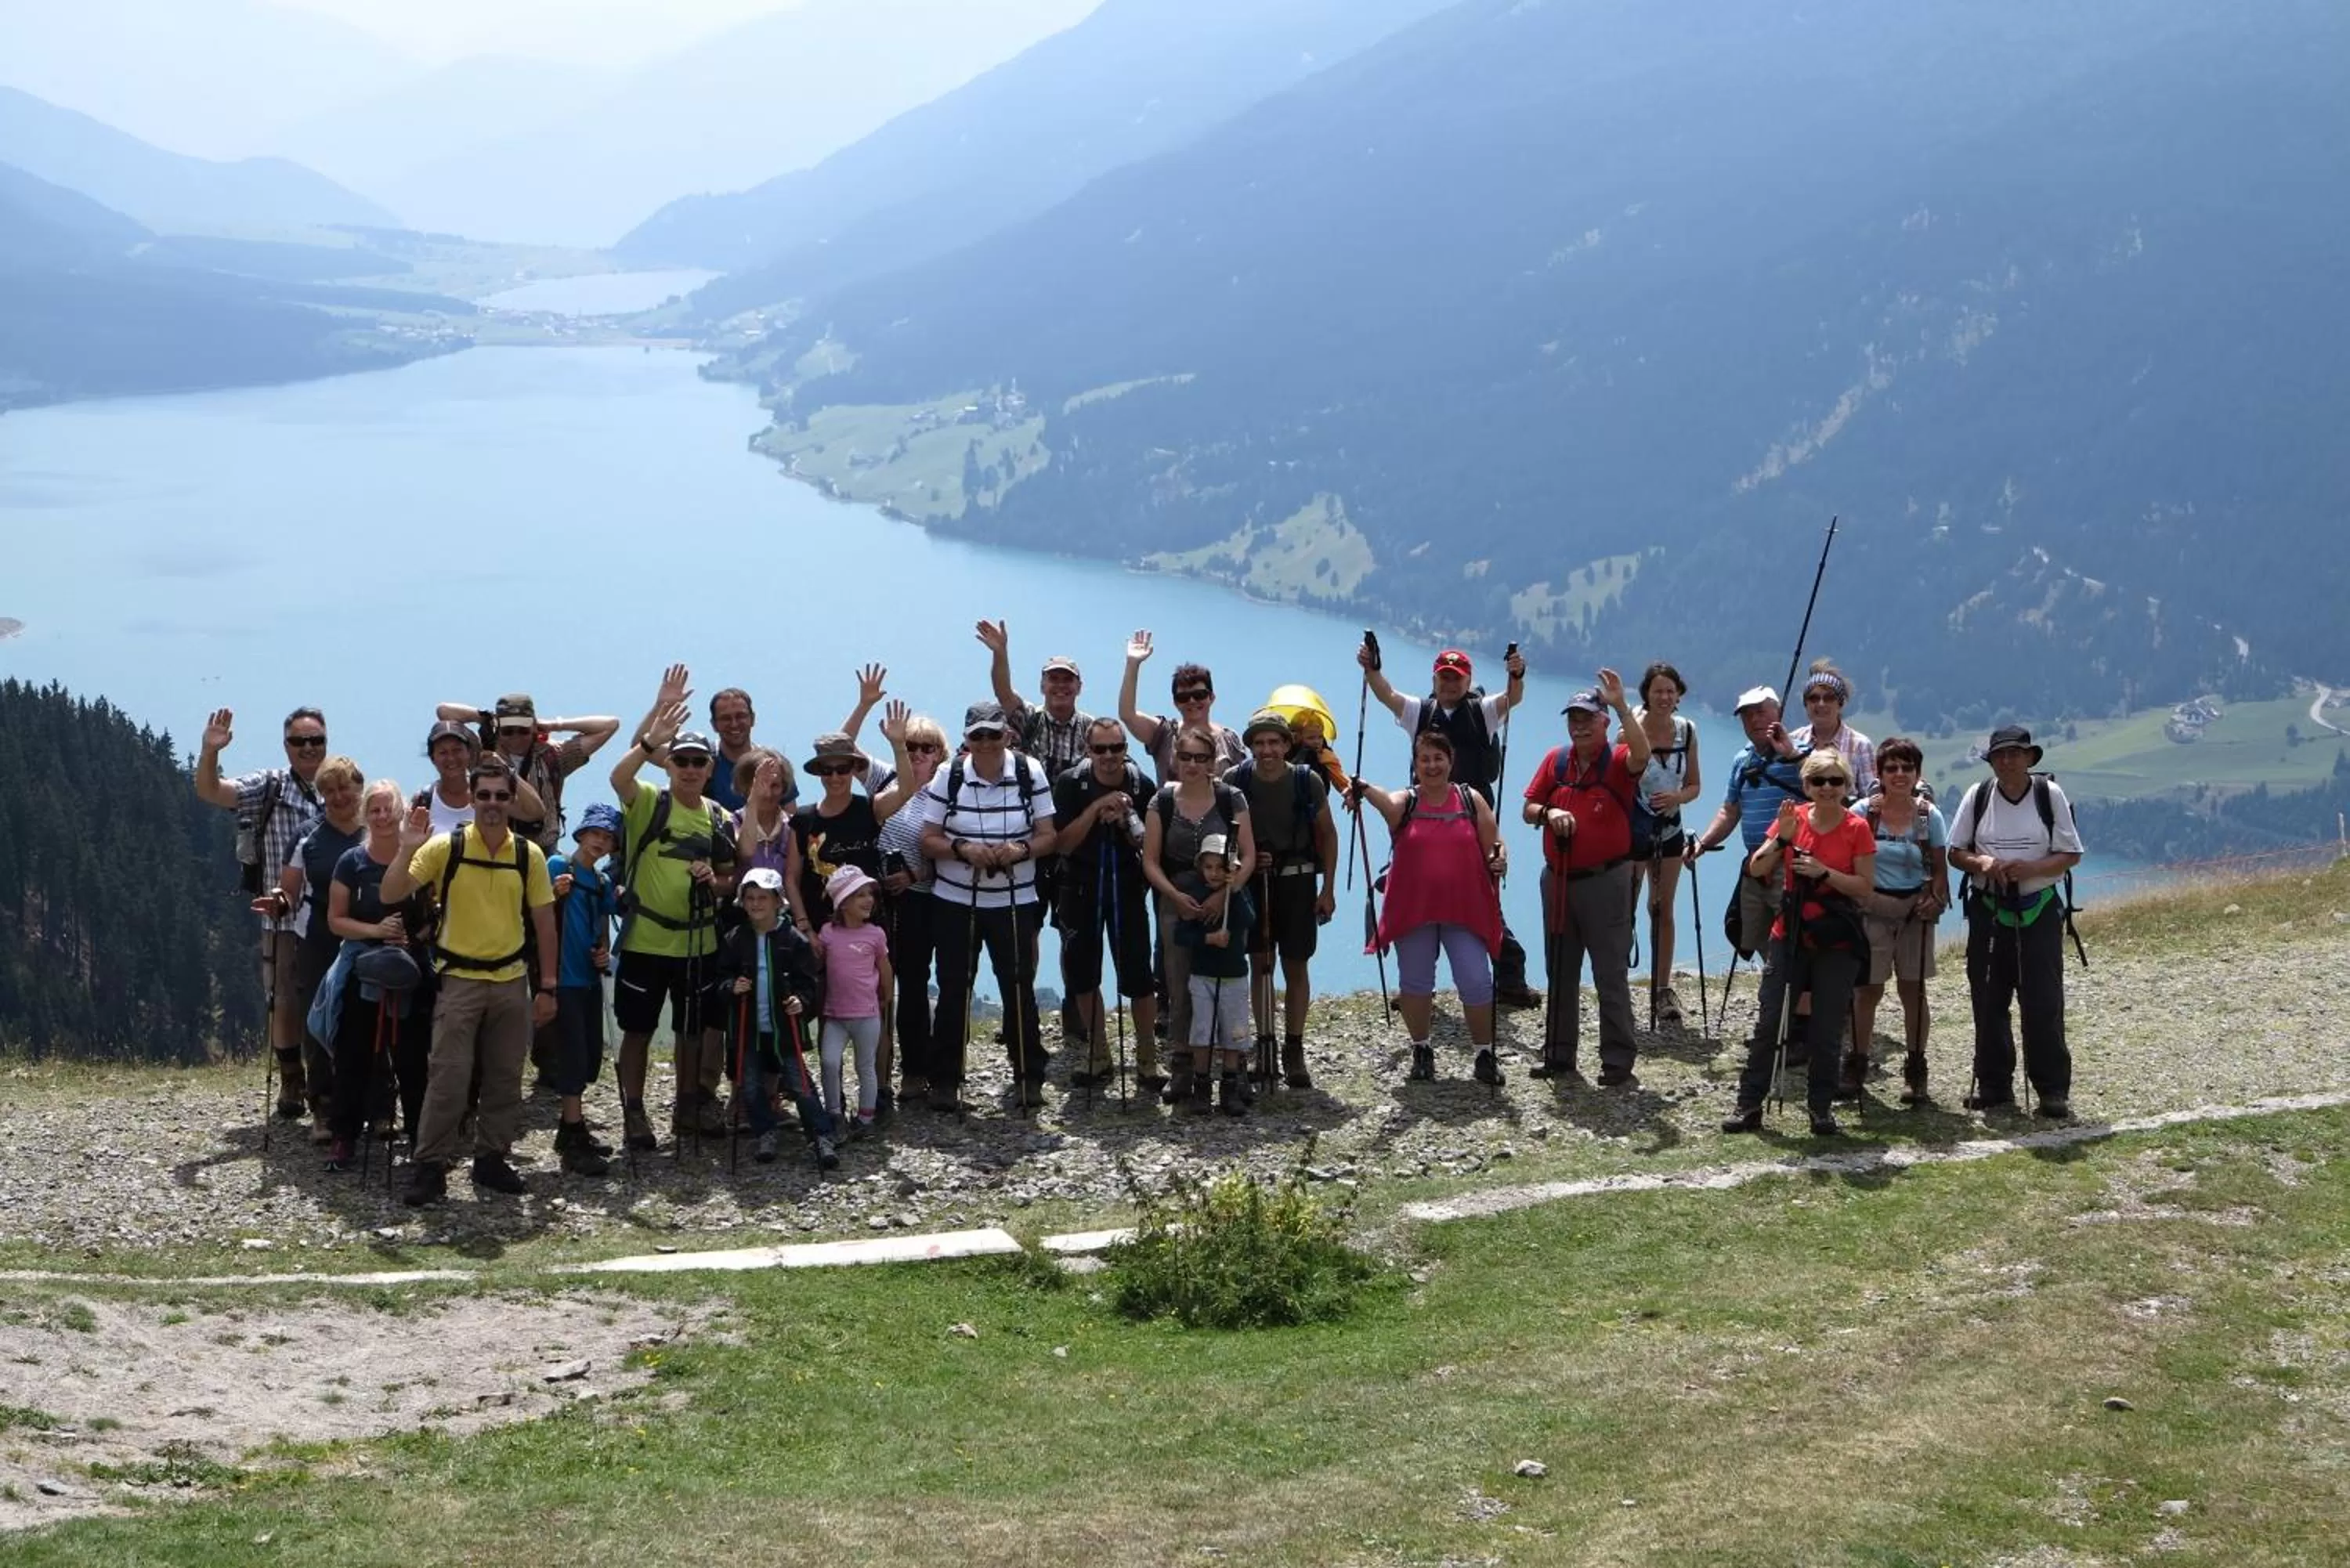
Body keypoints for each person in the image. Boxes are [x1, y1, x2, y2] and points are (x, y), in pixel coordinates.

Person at [383, 761, 560, 1205]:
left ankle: (491, 1159)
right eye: (485, 796)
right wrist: (406, 848)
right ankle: (429, 1166)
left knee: (505, 1076)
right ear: (473, 798)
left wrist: (549, 986)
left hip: (511, 980)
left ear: (512, 801)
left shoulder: (528, 855)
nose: (494, 805)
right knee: (448, 1077)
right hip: (459, 979)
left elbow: (545, 923)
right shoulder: (447, 847)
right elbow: (390, 893)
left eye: (502, 797)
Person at [1360, 640, 1540, 1007]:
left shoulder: (1482, 711)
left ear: (1467, 679)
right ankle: (1417, 984)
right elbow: (1387, 696)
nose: (1450, 683)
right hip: (1424, 820)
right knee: (1417, 896)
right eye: (1444, 676)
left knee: (1481, 895)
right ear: (1435, 678)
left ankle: (1506, 976)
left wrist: (1516, 674)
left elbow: (1513, 698)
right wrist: (1373, 670)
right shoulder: (1420, 711)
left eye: (1456, 677)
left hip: (1470, 819)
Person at [608, 665, 738, 1151]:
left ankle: (687, 1106)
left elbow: (732, 879)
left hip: (698, 941)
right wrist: (649, 739)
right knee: (638, 1031)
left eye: (697, 762)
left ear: (709, 770)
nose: (688, 768)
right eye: (681, 759)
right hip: (645, 940)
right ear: (670, 765)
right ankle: (635, 1112)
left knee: (690, 1032)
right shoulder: (647, 800)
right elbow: (617, 774)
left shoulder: (720, 816)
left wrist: (716, 882)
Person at [1720, 750, 1877, 1139]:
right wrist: (1782, 841)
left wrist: (1825, 872)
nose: (1827, 788)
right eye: (1818, 781)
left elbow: (1865, 888)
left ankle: (1820, 1108)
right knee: (1770, 1020)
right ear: (1806, 785)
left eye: (1835, 781)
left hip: (1836, 937)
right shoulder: (1791, 821)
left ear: (1846, 785)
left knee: (1826, 1026)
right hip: (1790, 933)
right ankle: (1749, 1104)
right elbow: (1757, 869)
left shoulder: (1857, 828)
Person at [917, 702, 1059, 1111]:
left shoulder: (1030, 772)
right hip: (955, 901)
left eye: (992, 735)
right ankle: (945, 1080)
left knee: (1018, 986)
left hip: (1015, 899)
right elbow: (928, 840)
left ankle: (1029, 1075)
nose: (985, 743)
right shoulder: (950, 774)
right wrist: (965, 849)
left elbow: (1050, 835)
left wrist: (1020, 849)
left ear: (1007, 736)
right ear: (966, 740)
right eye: (976, 735)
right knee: (953, 987)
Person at [193, 704, 326, 1122]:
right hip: (282, 916)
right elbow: (211, 791)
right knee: (283, 1000)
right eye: (299, 741)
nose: (308, 748)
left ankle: (332, 1081)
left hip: (330, 918)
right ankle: (292, 1078)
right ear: (285, 746)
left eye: (316, 740)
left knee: (327, 999)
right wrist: (210, 751)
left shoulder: (340, 786)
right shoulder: (268, 786)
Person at [1520, 674, 1652, 1086]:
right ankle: (1559, 1056)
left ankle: (1617, 1062)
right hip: (1557, 879)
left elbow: (1643, 755)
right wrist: (1548, 814)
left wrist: (1622, 705)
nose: (1579, 726)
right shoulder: (1556, 761)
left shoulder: (1618, 761)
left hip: (1606, 881)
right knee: (1560, 967)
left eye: (1588, 718)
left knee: (1608, 971)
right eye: (1574, 718)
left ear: (1604, 723)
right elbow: (1528, 807)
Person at [1356, 730, 1508, 1086]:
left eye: (1438, 758)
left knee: (1476, 980)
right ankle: (1421, 1049)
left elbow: (1496, 843)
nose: (1432, 765)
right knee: (1415, 983)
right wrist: (1363, 788)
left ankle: (1485, 1053)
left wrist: (1499, 859)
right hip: (1415, 910)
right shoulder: (1405, 802)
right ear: (1415, 764)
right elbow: (1385, 803)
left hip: (1464, 908)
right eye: (1424, 759)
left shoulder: (1470, 800)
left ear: (1451, 762)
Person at [1946, 725, 2083, 1119]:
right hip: (1989, 908)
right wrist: (1983, 863)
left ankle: (2052, 1090)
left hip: (2038, 908)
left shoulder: (2048, 795)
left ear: (2029, 758)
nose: (2007, 761)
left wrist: (2031, 869)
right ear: (1992, 761)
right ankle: (1994, 1086)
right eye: (2000, 755)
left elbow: (2070, 853)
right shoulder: (1979, 796)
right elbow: (1956, 852)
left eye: (2014, 754)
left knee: (2042, 1002)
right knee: (1988, 1000)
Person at [1683, 685, 1813, 1039]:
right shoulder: (1743, 760)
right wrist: (1704, 843)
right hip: (1755, 866)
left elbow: (1824, 791)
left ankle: (1792, 1026)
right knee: (1756, 938)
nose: (1755, 719)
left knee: (1789, 945)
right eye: (1747, 714)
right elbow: (1730, 810)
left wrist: (1791, 754)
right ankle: (1781, 1017)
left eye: (1761, 711)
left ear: (1778, 712)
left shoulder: (1801, 755)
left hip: (1790, 866)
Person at [323, 779, 438, 1169]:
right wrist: (378, 932)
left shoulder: (421, 856)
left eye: (389, 808)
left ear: (402, 811)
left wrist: (414, 938)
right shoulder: (352, 861)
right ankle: (345, 1135)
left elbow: (436, 913)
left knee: (412, 1056)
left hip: (413, 963)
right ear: (365, 815)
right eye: (375, 809)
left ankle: (423, 1138)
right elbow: (336, 921)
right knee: (354, 1054)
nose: (383, 816)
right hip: (363, 964)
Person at [1141, 725, 1255, 1100]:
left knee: (1226, 982)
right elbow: (1151, 860)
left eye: (1201, 758)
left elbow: (1249, 855)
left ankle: (1230, 1071)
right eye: (1186, 757)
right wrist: (1174, 896)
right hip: (1177, 901)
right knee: (1179, 986)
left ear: (1213, 762)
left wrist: (1226, 894)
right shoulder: (1163, 802)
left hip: (1225, 901)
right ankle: (1184, 1067)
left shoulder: (1231, 798)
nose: (1192, 765)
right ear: (1175, 757)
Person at [1227, 707, 1336, 1089]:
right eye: (1259, 743)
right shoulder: (1235, 781)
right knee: (1260, 963)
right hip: (1254, 882)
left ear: (1287, 746)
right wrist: (1247, 859)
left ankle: (1293, 1046)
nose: (1267, 750)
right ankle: (1265, 1042)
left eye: (1274, 742)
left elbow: (1329, 833)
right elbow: (1226, 838)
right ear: (1251, 747)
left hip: (1298, 880)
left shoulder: (1308, 782)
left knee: (1295, 964)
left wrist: (1328, 890)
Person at [258, 753, 365, 1143]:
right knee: (319, 1023)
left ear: (359, 787)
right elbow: (288, 891)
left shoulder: (377, 829)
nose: (338, 797)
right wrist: (277, 902)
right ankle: (322, 1106)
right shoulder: (307, 834)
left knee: (370, 1019)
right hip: (318, 937)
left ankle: (376, 1105)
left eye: (344, 788)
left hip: (369, 935)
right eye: (329, 790)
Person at [1050, 717, 1159, 1090]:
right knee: (1082, 972)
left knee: (1138, 974)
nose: (1109, 756)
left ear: (1126, 749)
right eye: (1100, 749)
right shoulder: (1069, 784)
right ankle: (1098, 1054)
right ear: (1088, 750)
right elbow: (1062, 842)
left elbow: (1149, 845)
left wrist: (1125, 820)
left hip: (1126, 886)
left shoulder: (1142, 785)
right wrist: (1096, 810)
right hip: (1079, 885)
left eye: (1116, 748)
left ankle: (1147, 1058)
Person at [1850, 738, 1948, 1106]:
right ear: (1879, 774)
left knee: (1914, 991)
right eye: (1891, 768)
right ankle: (1857, 1064)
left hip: (1914, 913)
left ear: (1917, 774)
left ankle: (1916, 1069)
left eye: (1907, 767)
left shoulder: (1928, 816)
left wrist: (1934, 899)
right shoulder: (1863, 812)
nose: (1899, 774)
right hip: (1872, 908)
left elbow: (1940, 868)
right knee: (1867, 992)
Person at [718, 867, 836, 1169]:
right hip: (748, 1028)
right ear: (742, 903)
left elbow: (808, 982)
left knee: (800, 1085)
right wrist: (732, 987)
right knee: (751, 1085)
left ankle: (821, 1134)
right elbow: (720, 980)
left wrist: (802, 1001)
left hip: (785, 1027)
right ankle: (765, 1131)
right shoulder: (735, 938)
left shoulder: (794, 940)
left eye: (763, 898)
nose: (756, 904)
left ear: (777, 901)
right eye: (750, 898)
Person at [784, 709, 919, 934]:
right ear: (819, 773)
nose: (835, 777)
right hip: (820, 931)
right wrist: (804, 927)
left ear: (854, 769)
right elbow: (791, 878)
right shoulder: (803, 820)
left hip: (869, 930)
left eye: (842, 769)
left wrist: (898, 745)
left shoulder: (870, 808)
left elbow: (906, 790)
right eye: (827, 770)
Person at [432, 694, 619, 853]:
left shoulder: (553, 756)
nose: (516, 737)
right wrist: (486, 718)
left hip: (541, 850)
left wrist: (553, 725)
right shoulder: (482, 755)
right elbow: (444, 712)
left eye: (522, 730)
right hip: (495, 852)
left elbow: (609, 725)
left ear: (533, 729)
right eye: (508, 730)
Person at [873, 714, 948, 1107]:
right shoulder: (886, 778)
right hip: (877, 900)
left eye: (926, 747)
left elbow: (953, 850)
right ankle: (877, 1077)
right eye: (911, 746)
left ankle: (917, 1071)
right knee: (877, 987)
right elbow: (841, 749)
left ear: (940, 754)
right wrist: (868, 706)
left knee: (915, 986)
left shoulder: (945, 792)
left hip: (922, 898)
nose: (917, 754)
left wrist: (916, 873)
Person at [544, 803, 622, 1174]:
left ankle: (569, 1128)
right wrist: (553, 894)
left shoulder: (601, 882)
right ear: (580, 834)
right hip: (561, 979)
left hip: (588, 979)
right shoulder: (559, 868)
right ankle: (573, 1131)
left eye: (607, 838)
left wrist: (604, 954)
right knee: (574, 1056)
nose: (600, 842)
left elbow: (606, 918)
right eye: (595, 834)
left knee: (590, 1057)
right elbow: (536, 911)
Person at [1628, 663, 1704, 1025]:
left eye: (1670, 691)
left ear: (1678, 695)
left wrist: (1677, 798)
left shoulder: (1687, 731)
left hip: (1670, 831)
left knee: (1662, 908)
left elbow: (1694, 784)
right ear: (1647, 694)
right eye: (1658, 690)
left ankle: (1661, 988)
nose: (1664, 697)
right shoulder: (1631, 730)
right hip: (1633, 831)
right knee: (1624, 907)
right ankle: (1617, 984)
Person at [1172, 833, 1257, 1116]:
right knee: (1202, 1033)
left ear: (1231, 869)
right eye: (1208, 867)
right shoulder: (1195, 896)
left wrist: (1234, 892)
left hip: (1233, 975)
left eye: (1220, 868)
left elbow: (1248, 919)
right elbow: (1181, 935)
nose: (1213, 873)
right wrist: (1209, 939)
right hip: (1203, 976)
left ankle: (1230, 1088)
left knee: (1234, 1034)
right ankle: (1202, 1088)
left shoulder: (1238, 895)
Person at [815, 865, 893, 1137]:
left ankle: (866, 1118)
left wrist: (887, 996)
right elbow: (820, 966)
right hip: (835, 1014)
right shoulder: (828, 933)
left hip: (867, 1015)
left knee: (866, 1066)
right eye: (860, 895)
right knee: (829, 1062)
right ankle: (834, 1113)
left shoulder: (875, 934)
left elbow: (884, 968)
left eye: (869, 894)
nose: (869, 900)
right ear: (843, 903)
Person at [1119, 630, 1245, 779]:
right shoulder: (1164, 734)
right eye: (1183, 697)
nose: (1192, 701)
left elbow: (1240, 782)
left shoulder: (1229, 740)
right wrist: (1133, 664)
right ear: (1175, 703)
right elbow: (1127, 714)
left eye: (1199, 695)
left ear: (1212, 697)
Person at [1791, 659, 1877, 800]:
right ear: (1805, 704)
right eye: (1814, 698)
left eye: (1829, 698)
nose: (1821, 704)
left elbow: (1870, 798)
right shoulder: (1794, 740)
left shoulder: (1860, 745)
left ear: (1840, 704)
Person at [731, 748, 801, 886]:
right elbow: (746, 852)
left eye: (775, 785)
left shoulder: (795, 825)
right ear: (745, 787)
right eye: (761, 784)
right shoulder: (734, 820)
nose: (768, 793)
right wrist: (753, 800)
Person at [704, 686, 760, 814]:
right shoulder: (700, 759)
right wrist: (660, 706)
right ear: (714, 725)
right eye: (725, 718)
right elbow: (650, 750)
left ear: (752, 719)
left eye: (740, 716)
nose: (734, 724)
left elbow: (792, 825)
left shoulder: (773, 764)